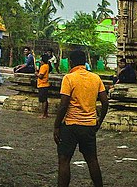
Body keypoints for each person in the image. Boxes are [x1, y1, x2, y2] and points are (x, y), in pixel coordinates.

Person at [54, 49, 109, 187]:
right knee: (92, 160)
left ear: (71, 62)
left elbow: (63, 105)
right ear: (85, 62)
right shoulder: (95, 78)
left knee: (64, 159)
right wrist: (99, 120)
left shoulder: (69, 78)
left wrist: (56, 125)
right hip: (89, 125)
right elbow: (105, 102)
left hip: (71, 125)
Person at [36, 53, 52, 118]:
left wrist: (36, 74)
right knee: (45, 100)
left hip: (42, 85)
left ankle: (43, 114)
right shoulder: (47, 66)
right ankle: (45, 113)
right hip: (45, 84)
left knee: (43, 100)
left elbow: (41, 76)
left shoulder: (43, 66)